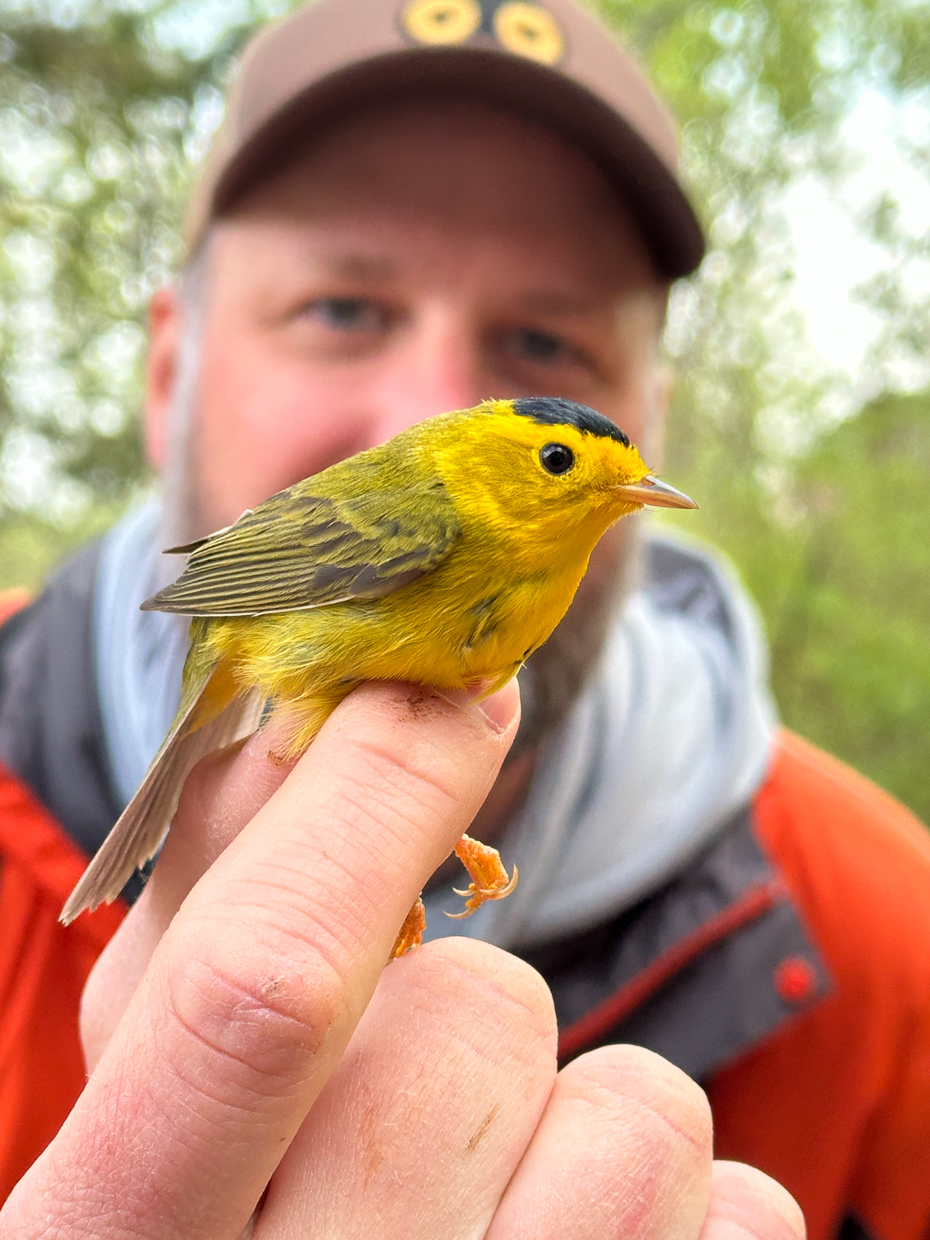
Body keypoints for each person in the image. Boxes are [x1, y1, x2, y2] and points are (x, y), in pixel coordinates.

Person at [0, 0, 927, 1234]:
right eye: (342, 307)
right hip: (266, 629)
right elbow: (285, 632)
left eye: (542, 335)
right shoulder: (437, 514)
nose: (430, 389)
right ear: (165, 366)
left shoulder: (887, 938)